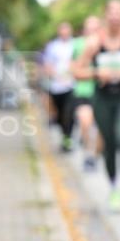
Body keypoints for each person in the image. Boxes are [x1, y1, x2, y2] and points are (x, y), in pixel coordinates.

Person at [74, 0, 120, 212]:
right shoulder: (94, 42)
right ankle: (114, 188)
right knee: (110, 144)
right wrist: (97, 73)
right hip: (103, 98)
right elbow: (78, 71)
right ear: (105, 15)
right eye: (111, 12)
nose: (115, 16)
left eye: (119, 12)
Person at [72, 16, 101, 171]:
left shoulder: (105, 44)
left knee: (101, 130)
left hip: (102, 93)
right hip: (83, 91)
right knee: (85, 122)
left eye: (96, 28)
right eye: (90, 28)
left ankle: (94, 156)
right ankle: (87, 153)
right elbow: (73, 68)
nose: (92, 31)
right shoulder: (77, 44)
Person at [42, 23, 77, 152]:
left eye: (67, 30)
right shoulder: (53, 46)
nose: (64, 32)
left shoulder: (75, 44)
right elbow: (48, 65)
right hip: (56, 87)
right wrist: (56, 76)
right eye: (62, 30)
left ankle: (68, 139)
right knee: (60, 114)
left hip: (71, 86)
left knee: (69, 113)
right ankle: (64, 135)